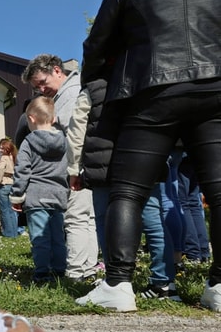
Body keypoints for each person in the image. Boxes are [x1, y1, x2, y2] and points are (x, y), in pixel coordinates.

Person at [77, 0, 221, 313]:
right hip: (216, 84)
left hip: (151, 91)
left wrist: (97, 83)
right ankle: (219, 285)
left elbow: (97, 46)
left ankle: (118, 285)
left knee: (127, 191)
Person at [68, 78, 180, 301]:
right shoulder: (149, 76)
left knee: (105, 222)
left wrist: (74, 167)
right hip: (145, 159)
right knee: (154, 223)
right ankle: (164, 283)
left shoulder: (93, 87)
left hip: (104, 163)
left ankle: (115, 281)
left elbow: (77, 128)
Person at [22, 54, 98, 282]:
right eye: (36, 87)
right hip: (84, 163)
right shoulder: (67, 92)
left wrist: (73, 168)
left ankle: (75, 273)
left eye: (42, 82)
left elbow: (75, 133)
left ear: (57, 70)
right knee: (87, 219)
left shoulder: (71, 93)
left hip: (78, 165)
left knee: (75, 218)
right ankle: (88, 268)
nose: (42, 89)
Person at [10, 97, 69, 284]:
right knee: (58, 237)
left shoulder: (29, 141)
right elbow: (67, 166)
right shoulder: (64, 141)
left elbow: (22, 169)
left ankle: (42, 273)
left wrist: (17, 195)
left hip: (36, 196)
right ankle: (60, 270)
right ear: (53, 119)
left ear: (31, 119)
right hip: (58, 195)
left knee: (40, 238)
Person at [0, 138, 19, 237]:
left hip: (4, 184)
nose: (0, 150)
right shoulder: (13, 157)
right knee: (12, 210)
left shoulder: (4, 158)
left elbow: (0, 170)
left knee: (4, 210)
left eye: (1, 148)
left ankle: (8, 234)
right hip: (12, 184)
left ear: (5, 149)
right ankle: (14, 233)